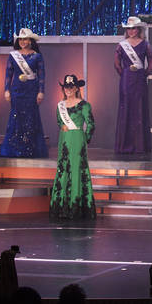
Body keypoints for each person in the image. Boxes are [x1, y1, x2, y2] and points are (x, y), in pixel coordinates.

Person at [50, 74, 96, 220]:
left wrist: (84, 139)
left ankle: (76, 207)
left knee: (76, 170)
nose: (68, 90)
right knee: (63, 169)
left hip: (77, 140)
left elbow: (91, 124)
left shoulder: (84, 105)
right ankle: (62, 206)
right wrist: (63, 127)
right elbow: (59, 122)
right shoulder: (60, 105)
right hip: (64, 140)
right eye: (66, 87)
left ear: (76, 88)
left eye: (71, 87)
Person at [0, 27, 47, 157]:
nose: (22, 41)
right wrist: (6, 90)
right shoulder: (13, 55)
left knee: (31, 118)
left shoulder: (37, 56)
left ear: (30, 40)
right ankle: (16, 148)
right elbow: (8, 74)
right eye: (20, 39)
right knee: (16, 117)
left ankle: (30, 149)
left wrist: (41, 92)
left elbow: (42, 75)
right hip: (17, 90)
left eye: (25, 39)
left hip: (32, 90)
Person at [113, 16, 152, 154]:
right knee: (126, 109)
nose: (131, 31)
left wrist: (145, 73)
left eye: (134, 28)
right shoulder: (121, 45)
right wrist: (125, 73)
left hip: (140, 80)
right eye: (129, 29)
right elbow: (116, 64)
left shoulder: (145, 44)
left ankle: (140, 146)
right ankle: (125, 146)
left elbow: (151, 60)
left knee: (139, 108)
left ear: (139, 29)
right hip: (126, 80)